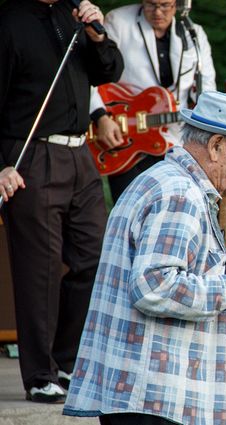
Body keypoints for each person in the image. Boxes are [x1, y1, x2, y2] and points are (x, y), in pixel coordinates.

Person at [63, 91, 226, 425]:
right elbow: (154, 287)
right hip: (154, 400)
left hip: (146, 397)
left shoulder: (166, 182)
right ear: (216, 145)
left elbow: (172, 284)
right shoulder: (179, 193)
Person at [0, 0, 123, 403]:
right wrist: (0, 165)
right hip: (31, 155)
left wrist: (97, 32)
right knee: (41, 270)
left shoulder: (74, 15)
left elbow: (109, 71)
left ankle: (68, 361)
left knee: (96, 257)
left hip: (80, 155)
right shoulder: (9, 22)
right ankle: (39, 373)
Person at [90, 0, 217, 201]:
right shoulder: (119, 22)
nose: (158, 12)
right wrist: (100, 116)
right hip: (126, 136)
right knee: (130, 209)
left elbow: (207, 88)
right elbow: (94, 73)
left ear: (179, 4)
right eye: (151, 4)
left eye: (165, 5)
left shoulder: (194, 33)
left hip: (175, 139)